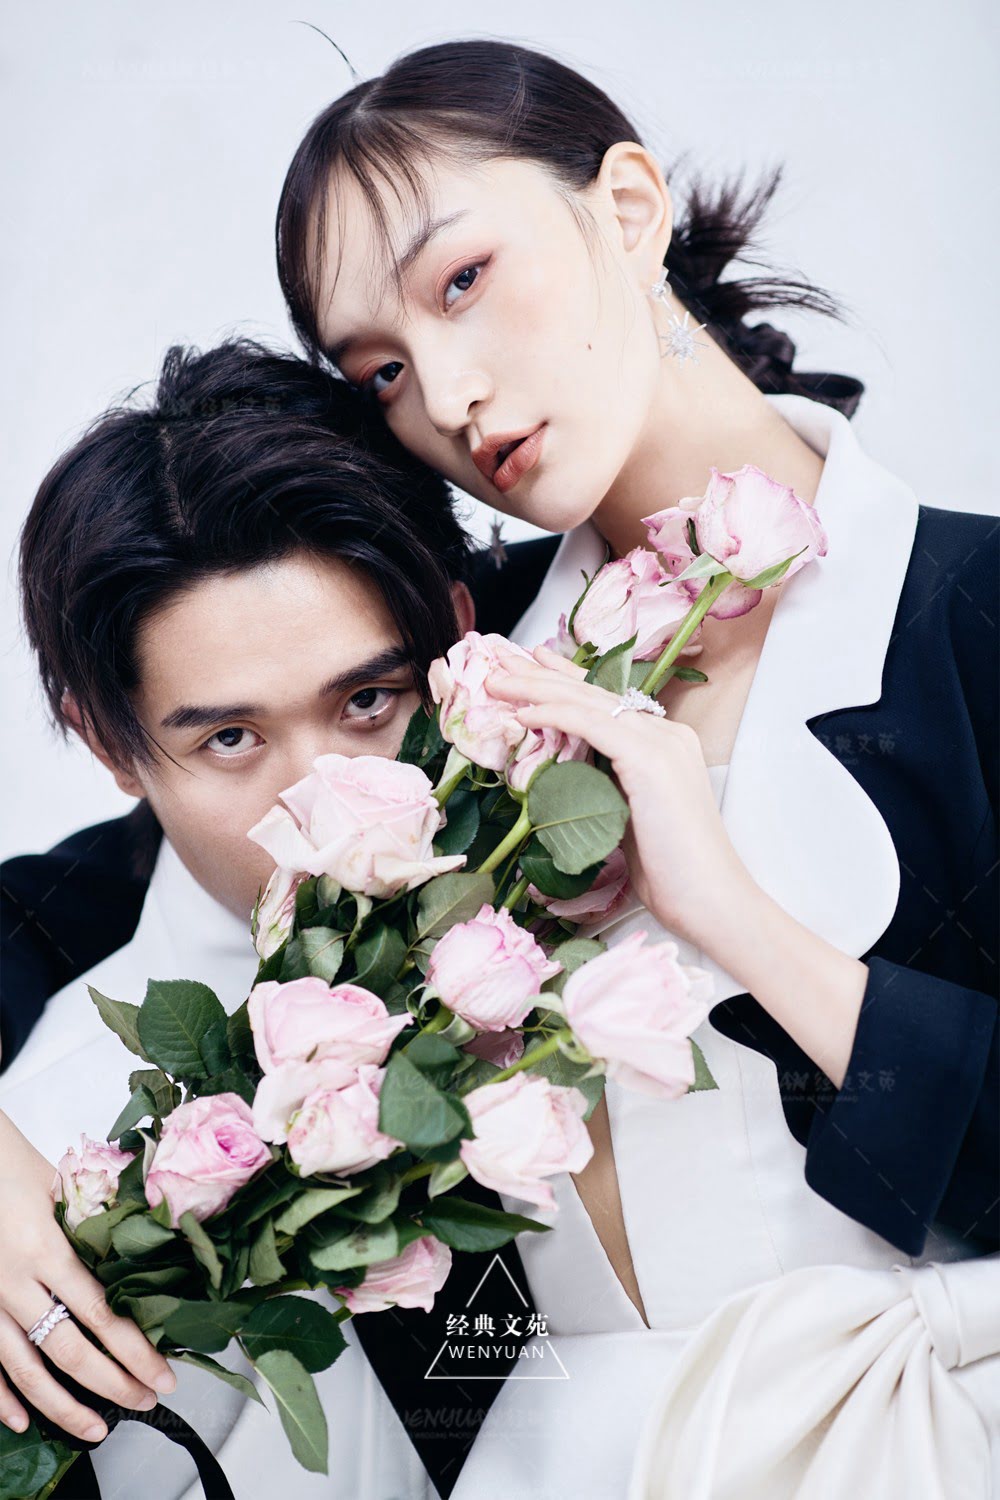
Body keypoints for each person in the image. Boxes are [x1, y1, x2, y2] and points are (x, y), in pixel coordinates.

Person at [266, 38, 999, 1498]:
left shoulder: (968, 616)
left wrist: (730, 913)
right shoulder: (449, 675)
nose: (447, 396)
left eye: (462, 279)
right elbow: (135, 877)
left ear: (627, 207)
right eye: (383, 372)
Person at [0, 338, 554, 1500]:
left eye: (369, 701)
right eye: (230, 739)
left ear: (461, 638)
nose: (323, 804)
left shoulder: (599, 938)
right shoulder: (52, 1144)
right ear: (108, 743)